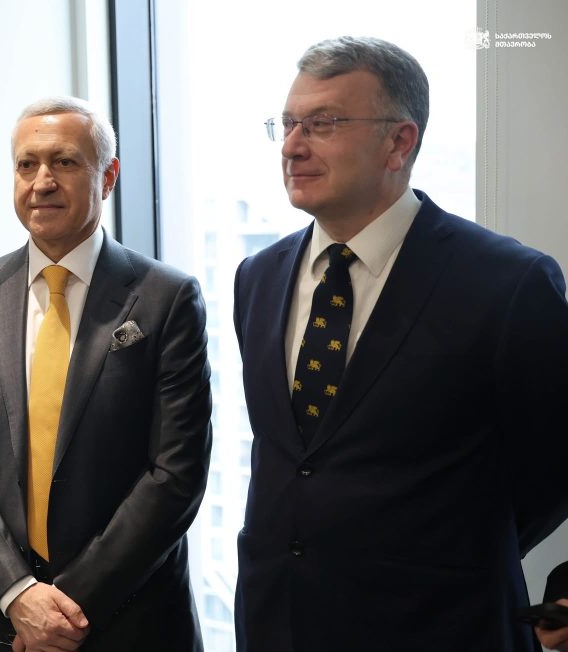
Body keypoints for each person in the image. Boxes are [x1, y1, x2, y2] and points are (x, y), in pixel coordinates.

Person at [233, 36, 568, 650]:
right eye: (287, 123)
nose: (292, 146)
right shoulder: (257, 277)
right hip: (278, 621)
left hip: (442, 625)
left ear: (399, 142)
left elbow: (552, 470)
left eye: (322, 123)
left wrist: (443, 554)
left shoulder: (507, 283)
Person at [0, 96, 212, 652]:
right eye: (26, 164)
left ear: (108, 176)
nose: (42, 182)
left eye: (64, 162)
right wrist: (18, 594)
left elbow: (175, 474)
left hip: (130, 618)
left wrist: (66, 607)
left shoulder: (166, 298)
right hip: (3, 621)